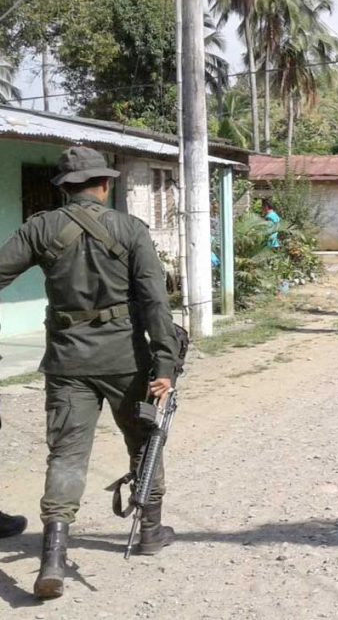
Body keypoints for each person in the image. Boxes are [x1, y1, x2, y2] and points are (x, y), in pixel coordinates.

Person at [0, 146, 179, 598]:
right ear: (105, 184)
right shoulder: (131, 229)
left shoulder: (40, 227)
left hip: (66, 362)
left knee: (66, 455)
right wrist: (165, 363)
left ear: (63, 188)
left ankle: (53, 557)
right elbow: (155, 302)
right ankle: (149, 532)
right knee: (143, 441)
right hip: (127, 361)